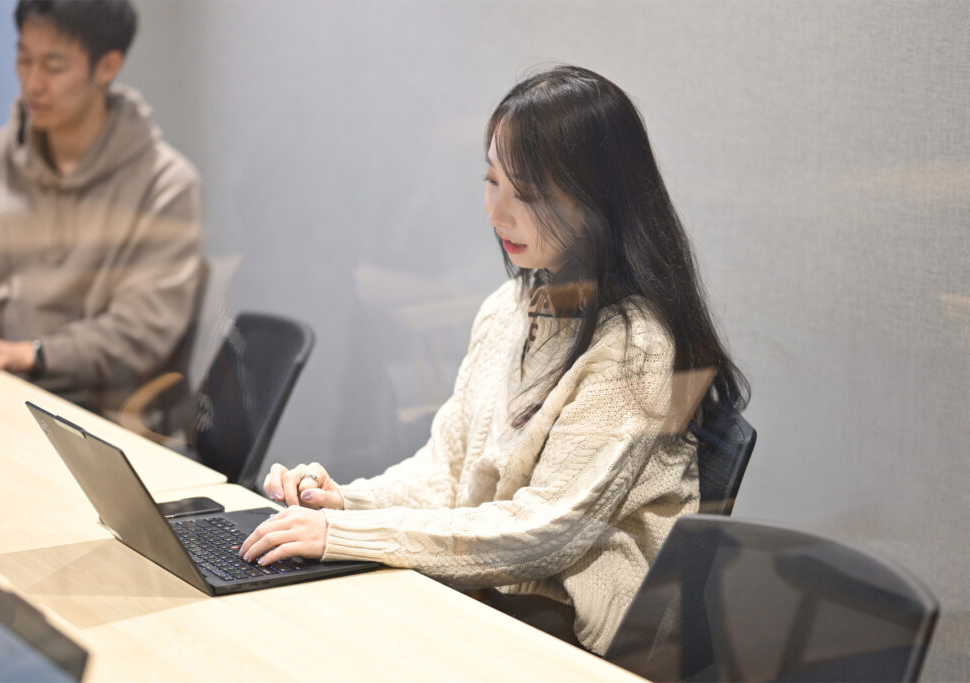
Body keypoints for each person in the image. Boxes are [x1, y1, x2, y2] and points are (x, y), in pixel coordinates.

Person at [239, 65, 749, 654]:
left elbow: (545, 532)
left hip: (576, 638)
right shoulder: (508, 307)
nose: (496, 212)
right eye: (491, 180)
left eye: (526, 193)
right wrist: (343, 503)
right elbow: (446, 471)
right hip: (483, 596)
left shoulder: (637, 347)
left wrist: (346, 533)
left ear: (598, 201)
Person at [0, 0, 202, 426]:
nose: (32, 83)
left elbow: (140, 333)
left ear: (107, 66)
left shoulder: (165, 185)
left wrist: (30, 353)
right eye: (24, 59)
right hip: (0, 400)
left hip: (105, 423)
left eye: (54, 66)